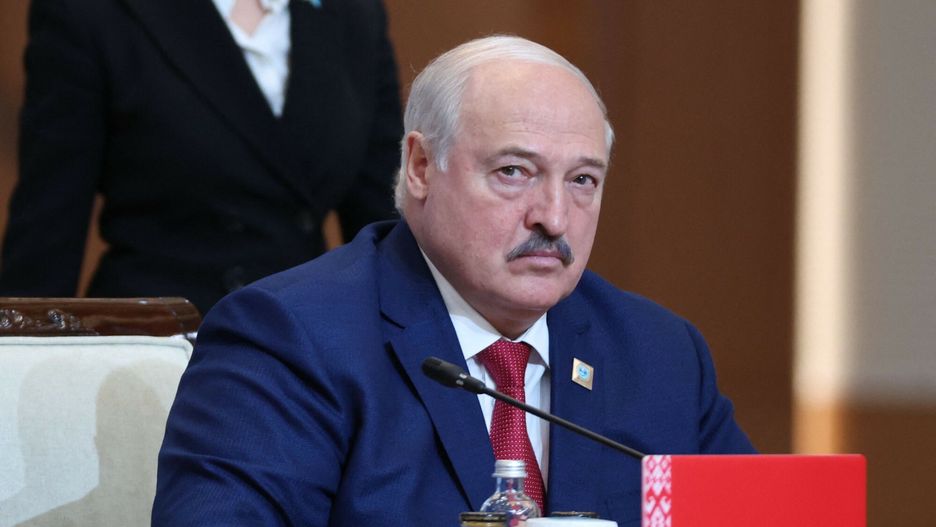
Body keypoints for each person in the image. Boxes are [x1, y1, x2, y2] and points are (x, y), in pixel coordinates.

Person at [152, 35, 754, 526]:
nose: (553, 217)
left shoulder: (661, 355)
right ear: (421, 167)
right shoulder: (288, 339)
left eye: (582, 181)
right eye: (514, 171)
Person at [0, 0, 402, 314]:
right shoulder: (92, 10)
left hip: (301, 343)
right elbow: (47, 230)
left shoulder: (354, 12)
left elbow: (388, 221)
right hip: (161, 346)